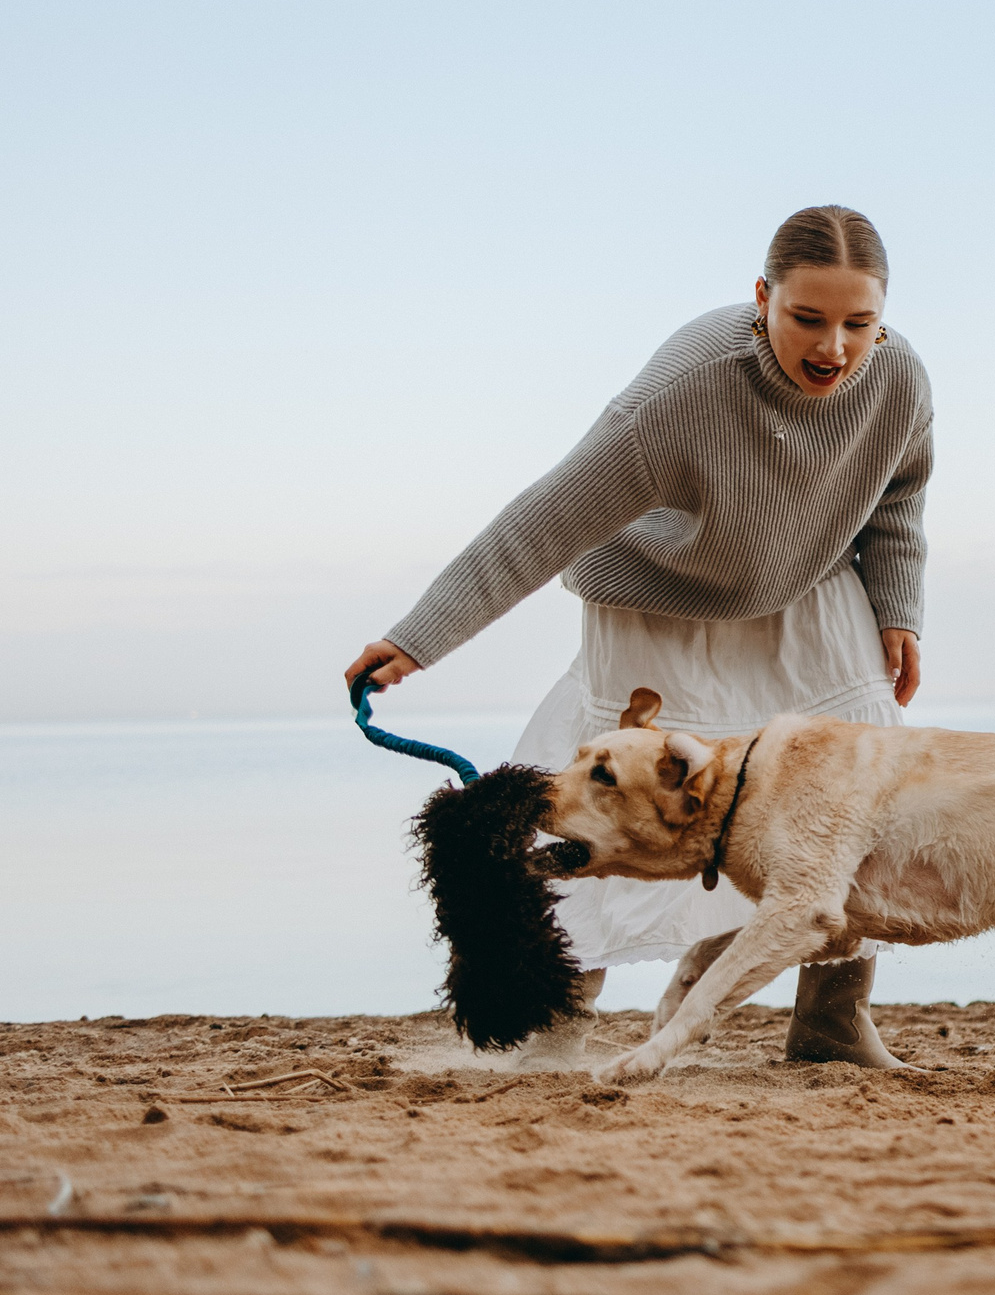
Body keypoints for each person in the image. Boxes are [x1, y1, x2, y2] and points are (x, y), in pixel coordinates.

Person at [344, 204, 931, 1067]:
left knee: (862, 778)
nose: (832, 347)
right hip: (662, 597)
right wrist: (420, 635)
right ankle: (557, 1017)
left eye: (858, 323)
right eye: (806, 318)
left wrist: (897, 609)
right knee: (611, 800)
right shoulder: (682, 391)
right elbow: (545, 522)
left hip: (802, 585)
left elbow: (899, 501)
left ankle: (832, 1019)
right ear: (762, 297)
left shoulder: (899, 380)